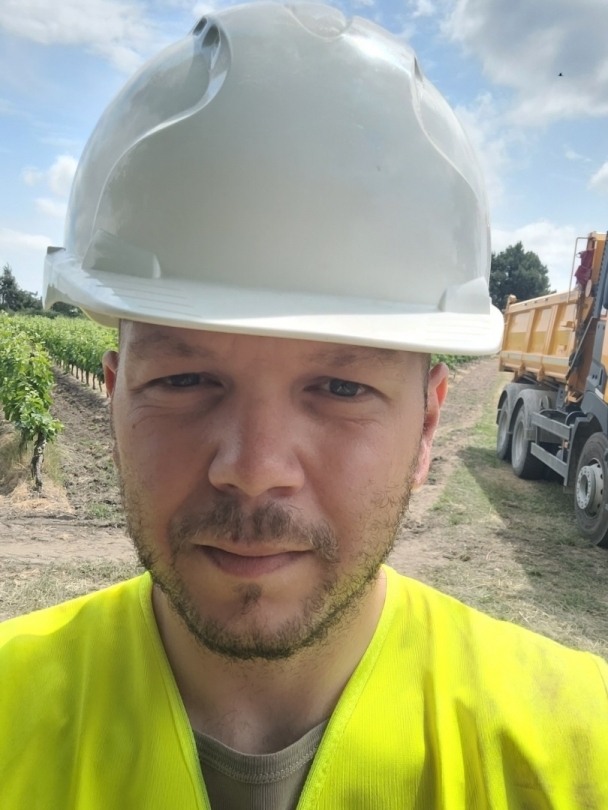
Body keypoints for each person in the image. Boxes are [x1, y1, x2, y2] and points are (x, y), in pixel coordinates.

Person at [1, 3, 607, 808]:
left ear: (428, 425)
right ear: (113, 400)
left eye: (342, 389)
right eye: (184, 380)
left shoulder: (576, 753)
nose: (253, 470)